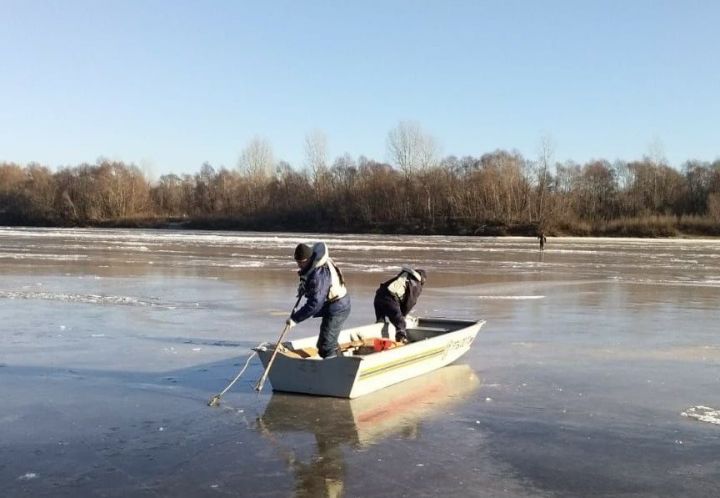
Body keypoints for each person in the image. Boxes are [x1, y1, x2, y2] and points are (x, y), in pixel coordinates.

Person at [287, 242, 351, 359]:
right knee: (326, 342)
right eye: (297, 262)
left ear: (307, 259)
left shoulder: (319, 273)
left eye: (300, 263)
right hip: (332, 304)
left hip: (338, 307)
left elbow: (315, 304)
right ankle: (338, 358)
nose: (299, 265)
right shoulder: (315, 262)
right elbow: (316, 284)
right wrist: (304, 287)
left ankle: (336, 371)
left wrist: (295, 319)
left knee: (326, 346)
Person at [373, 267, 426, 343]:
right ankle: (401, 339)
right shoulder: (415, 283)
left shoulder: (403, 277)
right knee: (401, 323)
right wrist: (403, 315)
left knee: (381, 322)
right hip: (389, 298)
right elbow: (411, 301)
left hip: (378, 297)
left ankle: (378, 338)